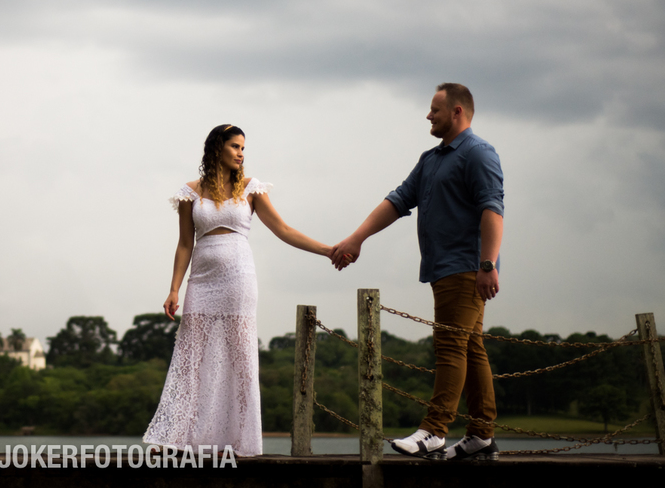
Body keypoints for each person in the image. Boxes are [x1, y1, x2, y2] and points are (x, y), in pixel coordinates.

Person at [331, 83, 504, 462]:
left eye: (435, 109)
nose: (428, 115)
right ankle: (481, 436)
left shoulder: (478, 152)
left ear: (457, 111)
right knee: (470, 348)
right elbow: (398, 200)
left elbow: (493, 208)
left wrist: (487, 264)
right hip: (443, 269)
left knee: (450, 346)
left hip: (466, 267)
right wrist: (357, 238)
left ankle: (434, 431)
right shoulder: (431, 159)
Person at [143, 124, 333, 457]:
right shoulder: (190, 193)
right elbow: (185, 243)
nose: (241, 153)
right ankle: (178, 439)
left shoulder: (251, 189)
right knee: (191, 356)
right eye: (235, 146)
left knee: (238, 357)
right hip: (201, 281)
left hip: (239, 280)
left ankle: (236, 442)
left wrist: (328, 250)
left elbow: (283, 229)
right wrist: (173, 289)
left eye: (243, 148)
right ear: (217, 148)